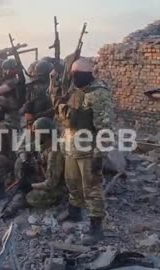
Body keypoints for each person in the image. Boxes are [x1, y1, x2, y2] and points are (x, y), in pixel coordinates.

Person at [50, 57, 116, 245]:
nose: (73, 78)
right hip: (71, 147)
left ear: (88, 74)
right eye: (72, 74)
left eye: (76, 74)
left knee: (92, 188)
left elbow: (105, 127)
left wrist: (100, 155)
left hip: (88, 150)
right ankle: (74, 212)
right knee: (72, 182)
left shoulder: (98, 94)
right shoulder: (76, 90)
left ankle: (96, 227)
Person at [4, 117, 65, 217]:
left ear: (44, 134)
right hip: (43, 176)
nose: (34, 135)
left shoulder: (54, 153)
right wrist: (24, 159)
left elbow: (51, 183)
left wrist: (31, 185)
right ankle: (24, 189)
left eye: (37, 132)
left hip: (56, 185)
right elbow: (22, 149)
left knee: (31, 198)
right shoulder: (42, 143)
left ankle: (57, 199)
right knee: (19, 162)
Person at [0, 58, 25, 127]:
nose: (4, 71)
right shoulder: (9, 80)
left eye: (5, 69)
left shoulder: (14, 81)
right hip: (7, 113)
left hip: (12, 115)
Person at [22, 61, 54, 128]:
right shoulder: (53, 85)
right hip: (45, 122)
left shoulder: (30, 86)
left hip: (35, 123)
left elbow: (27, 113)